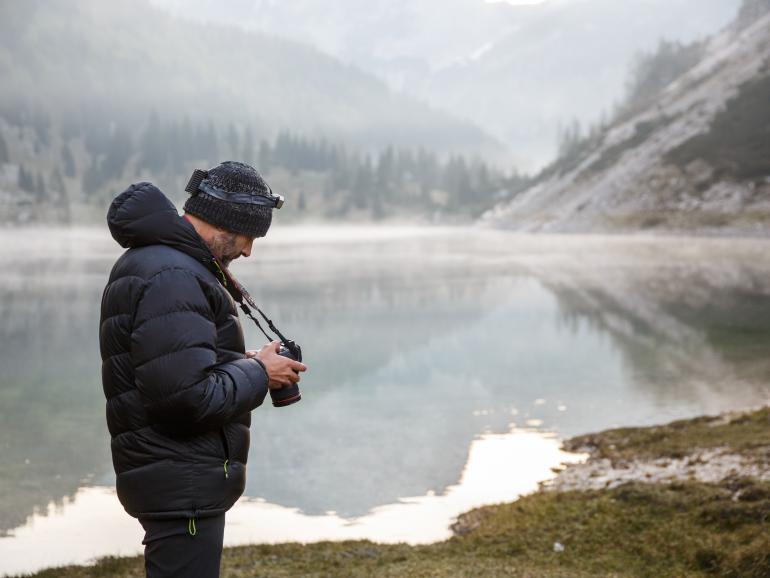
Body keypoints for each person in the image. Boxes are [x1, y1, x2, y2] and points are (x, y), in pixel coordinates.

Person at [99, 161, 307, 577]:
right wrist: (261, 373)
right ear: (224, 222)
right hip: (182, 483)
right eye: (248, 237)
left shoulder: (164, 265)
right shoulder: (173, 276)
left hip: (176, 478)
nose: (248, 251)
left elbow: (173, 371)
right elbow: (184, 399)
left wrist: (243, 362)